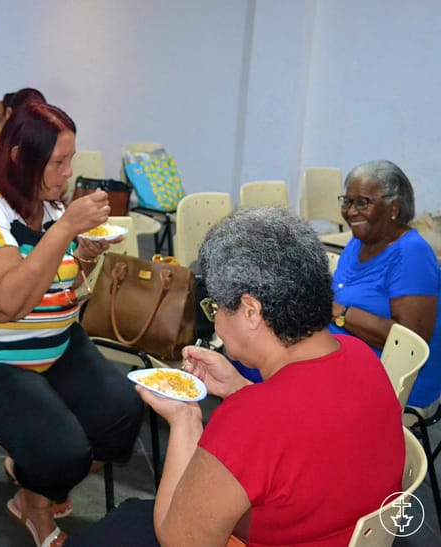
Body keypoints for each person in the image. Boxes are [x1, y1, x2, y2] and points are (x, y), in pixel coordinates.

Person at [68, 206, 405, 547]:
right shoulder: (360, 355)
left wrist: (185, 419)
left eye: (214, 307)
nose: (215, 321)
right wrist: (241, 389)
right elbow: (306, 426)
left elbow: (179, 539)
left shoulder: (251, 421)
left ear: (250, 311)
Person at [0, 101, 144, 547]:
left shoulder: (52, 209)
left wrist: (84, 258)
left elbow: (62, 287)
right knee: (63, 450)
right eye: (58, 162)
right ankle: (38, 498)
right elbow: (5, 304)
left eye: (70, 160)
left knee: (121, 413)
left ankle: (33, 485)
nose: (67, 172)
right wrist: (65, 232)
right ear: (20, 157)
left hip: (50, 344)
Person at [330, 160, 441, 410]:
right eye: (347, 201)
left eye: (362, 203)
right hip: (347, 355)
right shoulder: (359, 243)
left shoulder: (411, 254)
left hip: (395, 382)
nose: (349, 211)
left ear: (394, 208)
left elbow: (410, 345)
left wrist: (339, 313)